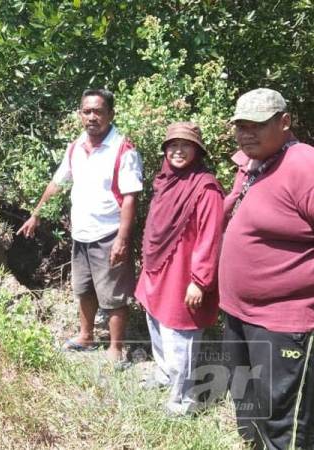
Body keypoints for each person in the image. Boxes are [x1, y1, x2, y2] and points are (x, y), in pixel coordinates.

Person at [17, 89, 143, 365]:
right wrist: (35, 214)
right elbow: (58, 182)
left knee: (114, 295)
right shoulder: (76, 146)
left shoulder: (123, 149)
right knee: (84, 289)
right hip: (82, 233)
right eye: (87, 111)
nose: (92, 117)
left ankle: (116, 349)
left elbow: (131, 196)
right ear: (79, 114)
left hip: (109, 233)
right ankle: (86, 336)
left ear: (111, 114)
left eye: (98, 111)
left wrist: (123, 238)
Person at [219, 88, 314, 449]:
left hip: (283, 323)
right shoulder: (254, 165)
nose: (247, 133)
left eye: (257, 125)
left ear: (284, 122)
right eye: (241, 126)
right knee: (249, 410)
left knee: (283, 426)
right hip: (240, 317)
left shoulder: (303, 164)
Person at [135, 122, 224, 415]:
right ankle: (163, 375)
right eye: (172, 145)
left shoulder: (205, 187)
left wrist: (199, 280)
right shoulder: (165, 180)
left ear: (197, 151)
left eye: (186, 145)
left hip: (184, 273)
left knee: (180, 334)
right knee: (156, 324)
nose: (178, 151)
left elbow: (210, 237)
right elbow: (155, 226)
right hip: (158, 267)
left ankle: (183, 401)